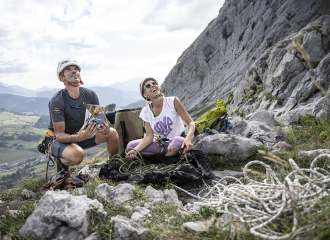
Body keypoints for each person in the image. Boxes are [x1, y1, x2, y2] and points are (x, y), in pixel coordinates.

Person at [45, 58, 119, 190]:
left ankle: (112, 166)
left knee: (112, 133)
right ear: (62, 77)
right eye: (68, 70)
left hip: (80, 134)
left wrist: (104, 129)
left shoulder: (90, 95)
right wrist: (79, 137)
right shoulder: (57, 100)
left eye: (76, 69)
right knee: (77, 154)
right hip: (56, 139)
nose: (74, 71)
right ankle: (61, 166)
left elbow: (98, 119)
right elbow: (60, 135)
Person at [125, 77, 195, 160]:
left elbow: (191, 122)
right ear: (145, 94)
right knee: (130, 147)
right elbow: (148, 137)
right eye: (148, 86)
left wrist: (188, 138)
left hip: (177, 140)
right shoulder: (146, 111)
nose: (152, 86)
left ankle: (160, 157)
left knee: (177, 142)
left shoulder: (173, 101)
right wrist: (135, 150)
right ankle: (166, 155)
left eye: (154, 83)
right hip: (161, 144)